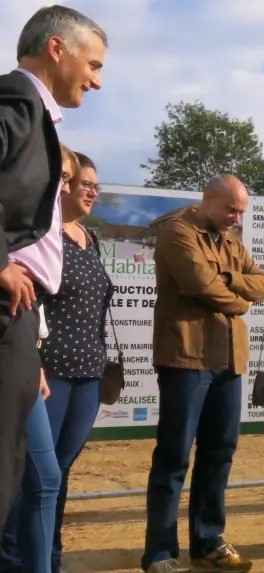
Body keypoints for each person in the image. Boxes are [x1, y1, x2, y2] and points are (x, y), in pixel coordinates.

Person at [0, 4, 106, 527]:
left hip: (21, 318)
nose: (98, 81)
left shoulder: (34, 115)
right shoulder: (14, 101)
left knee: (22, 474)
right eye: (95, 65)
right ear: (56, 48)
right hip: (6, 309)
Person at [142, 174, 264, 573]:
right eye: (231, 209)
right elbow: (198, 283)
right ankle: (161, 552)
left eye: (241, 211)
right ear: (209, 198)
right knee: (174, 455)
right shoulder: (177, 230)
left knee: (219, 454)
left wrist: (231, 280)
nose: (236, 218)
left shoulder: (231, 240)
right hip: (186, 357)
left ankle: (208, 540)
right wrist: (239, 302)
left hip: (229, 360)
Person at [0, 144, 84, 573]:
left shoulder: (41, 223)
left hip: (25, 358)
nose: (65, 186)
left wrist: (33, 358)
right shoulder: (19, 219)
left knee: (45, 478)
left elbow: (34, 305)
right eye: (63, 178)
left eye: (68, 178)